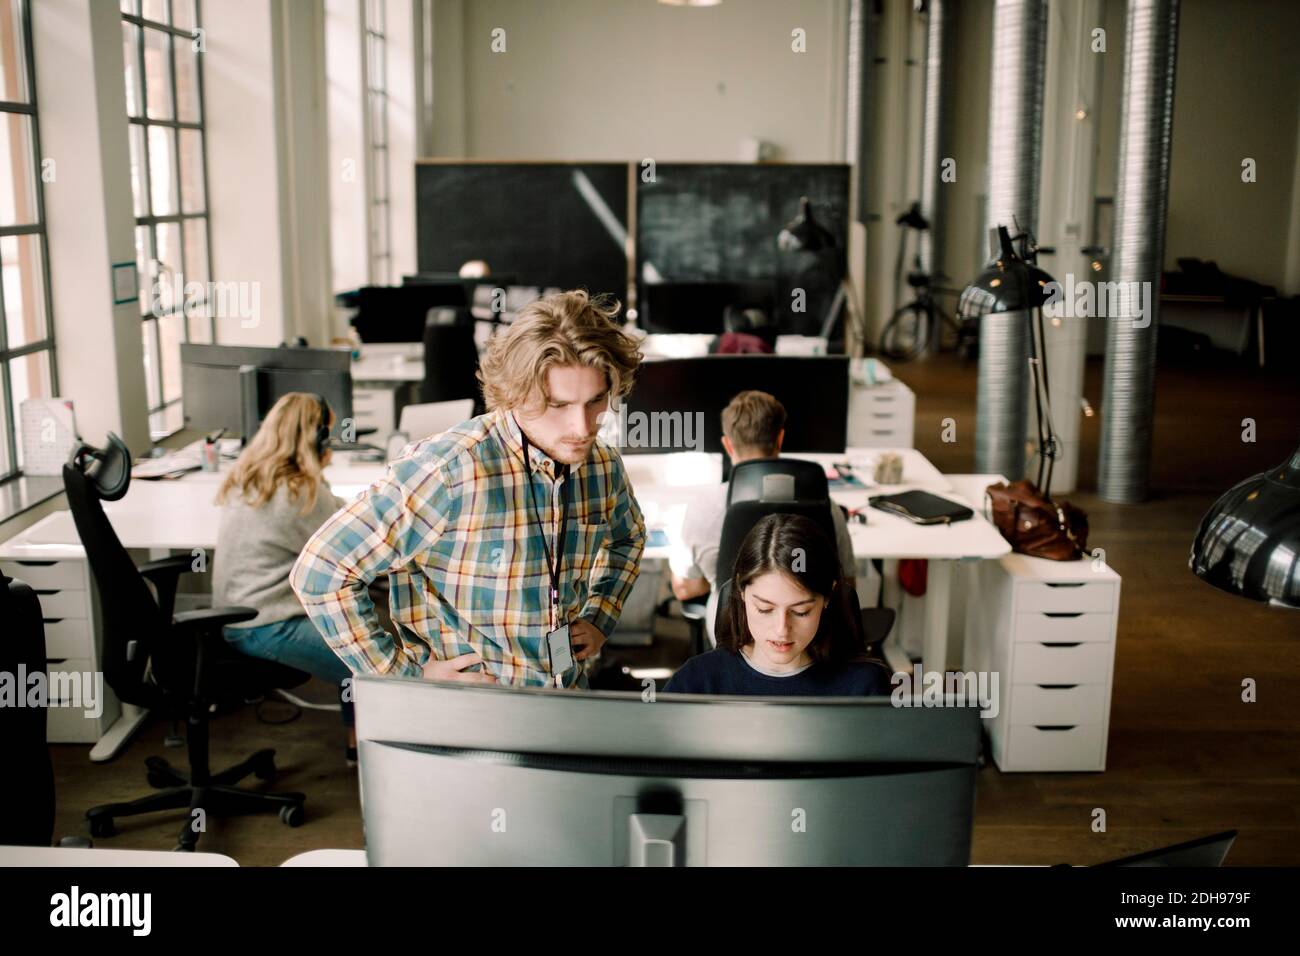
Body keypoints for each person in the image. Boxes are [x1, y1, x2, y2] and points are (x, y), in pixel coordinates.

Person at [291, 290, 647, 688]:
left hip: (563, 700)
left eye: (596, 401)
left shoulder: (600, 464)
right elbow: (322, 570)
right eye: (558, 406)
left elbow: (628, 538)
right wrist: (402, 675)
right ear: (517, 393)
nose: (582, 428)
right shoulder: (449, 470)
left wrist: (600, 616)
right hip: (468, 714)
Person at [213, 392, 356, 759]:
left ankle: (358, 743)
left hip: (238, 618)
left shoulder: (253, 477)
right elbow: (349, 552)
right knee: (367, 660)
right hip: (267, 625)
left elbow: (332, 515)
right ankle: (365, 753)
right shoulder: (298, 492)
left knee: (357, 626)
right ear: (317, 439)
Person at [669, 389, 857, 645]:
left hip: (734, 633)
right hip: (806, 636)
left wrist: (719, 579)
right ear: (780, 438)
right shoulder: (823, 504)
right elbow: (846, 582)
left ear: (727, 444)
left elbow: (683, 588)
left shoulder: (702, 507)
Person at [665, 513, 889, 696]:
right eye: (765, 609)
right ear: (742, 592)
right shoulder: (696, 682)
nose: (782, 629)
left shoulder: (865, 686)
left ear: (828, 597)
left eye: (801, 612)